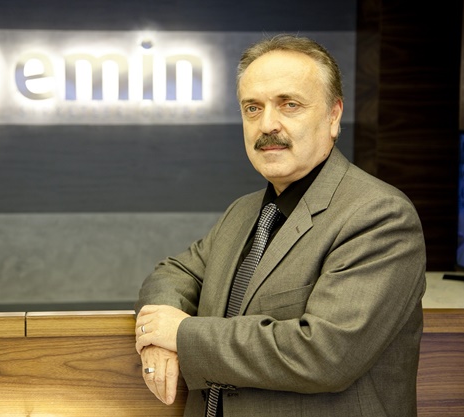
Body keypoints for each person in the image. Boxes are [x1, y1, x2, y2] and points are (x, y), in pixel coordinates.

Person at [134, 34, 426, 417]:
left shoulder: (379, 215)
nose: (267, 124)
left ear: (333, 115)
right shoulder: (244, 211)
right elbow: (174, 273)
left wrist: (181, 335)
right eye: (252, 108)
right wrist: (156, 336)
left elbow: (325, 355)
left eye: (290, 104)